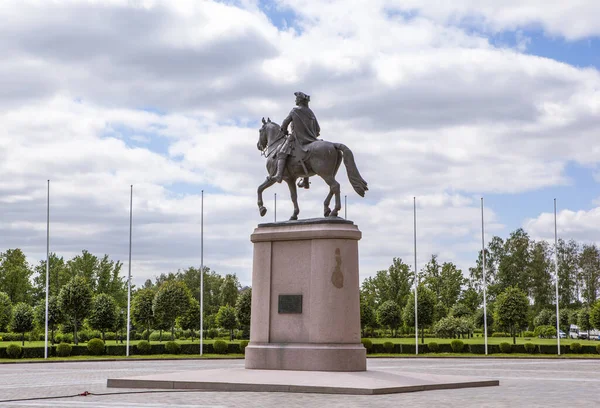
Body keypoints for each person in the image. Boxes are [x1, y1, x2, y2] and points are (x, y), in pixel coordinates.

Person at [271, 91, 320, 187]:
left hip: (297, 139)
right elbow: (318, 129)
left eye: (296, 99)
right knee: (307, 157)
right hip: (311, 139)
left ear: (300, 100)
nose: (295, 100)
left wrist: (284, 130)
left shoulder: (295, 111)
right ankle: (305, 181)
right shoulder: (311, 113)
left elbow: (285, 123)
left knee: (281, 152)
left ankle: (279, 175)